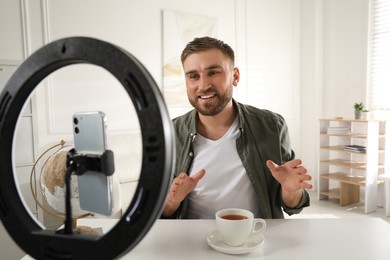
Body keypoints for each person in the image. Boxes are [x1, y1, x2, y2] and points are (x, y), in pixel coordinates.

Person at [162, 36, 312, 219]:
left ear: (235, 76)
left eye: (213, 72)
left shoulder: (272, 125)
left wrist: (290, 190)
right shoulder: (170, 133)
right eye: (194, 76)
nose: (203, 85)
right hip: (192, 240)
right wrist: (171, 201)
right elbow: (161, 213)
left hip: (254, 237)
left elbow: (292, 205)